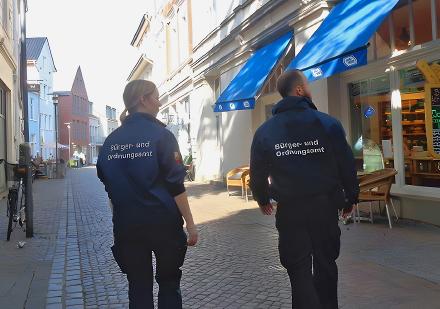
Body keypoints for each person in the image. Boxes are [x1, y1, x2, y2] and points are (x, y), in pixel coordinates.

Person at [249, 69, 359, 309]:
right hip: (325, 206)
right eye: (307, 84)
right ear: (299, 90)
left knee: (297, 266)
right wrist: (350, 197)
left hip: (291, 210)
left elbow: (257, 169)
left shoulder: (266, 130)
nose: (309, 89)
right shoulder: (328, 123)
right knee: (326, 262)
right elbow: (346, 164)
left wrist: (261, 197)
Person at [96, 80, 198, 309]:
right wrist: (190, 224)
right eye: (157, 97)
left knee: (138, 286)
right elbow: (176, 184)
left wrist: (117, 223)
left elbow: (111, 191)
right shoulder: (162, 135)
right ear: (144, 99)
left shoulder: (110, 142)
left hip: (128, 227)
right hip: (163, 225)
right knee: (169, 283)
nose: (160, 103)